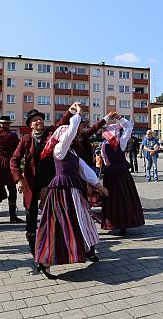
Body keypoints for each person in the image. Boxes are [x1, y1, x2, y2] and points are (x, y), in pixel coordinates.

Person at [35, 107, 109, 279]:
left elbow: (85, 170)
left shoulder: (72, 152)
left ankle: (89, 250)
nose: (73, 135)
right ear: (62, 136)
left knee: (82, 221)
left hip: (73, 192)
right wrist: (77, 114)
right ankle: (45, 263)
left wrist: (99, 186)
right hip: (61, 192)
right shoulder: (59, 149)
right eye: (69, 133)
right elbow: (72, 130)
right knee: (59, 225)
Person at [10, 106, 74, 260]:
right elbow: (14, 161)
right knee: (30, 217)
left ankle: (54, 247)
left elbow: (61, 123)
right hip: (31, 185)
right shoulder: (25, 140)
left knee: (53, 215)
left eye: (40, 119)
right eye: (35, 120)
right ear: (30, 125)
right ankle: (35, 250)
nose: (38, 121)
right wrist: (19, 179)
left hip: (49, 184)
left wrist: (70, 111)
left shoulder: (50, 135)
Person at [100, 113, 145, 236]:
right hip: (121, 174)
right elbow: (129, 126)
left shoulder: (104, 144)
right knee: (124, 197)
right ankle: (122, 224)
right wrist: (119, 118)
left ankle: (115, 223)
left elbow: (105, 161)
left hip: (111, 174)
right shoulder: (120, 142)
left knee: (113, 199)